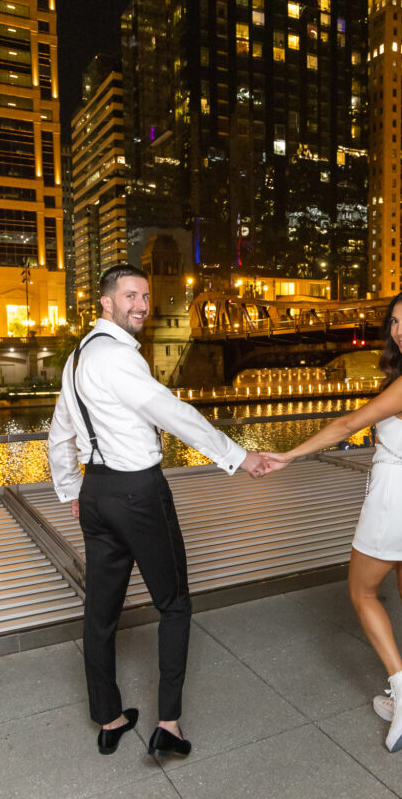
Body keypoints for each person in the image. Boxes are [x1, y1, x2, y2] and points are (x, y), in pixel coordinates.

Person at [47, 264, 269, 759]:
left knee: (100, 613)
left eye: (145, 296)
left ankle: (109, 719)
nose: (142, 305)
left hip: (96, 494)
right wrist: (237, 456)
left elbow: (60, 429)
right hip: (138, 494)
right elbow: (171, 411)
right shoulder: (119, 358)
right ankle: (168, 724)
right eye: (130, 296)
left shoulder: (78, 356)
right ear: (106, 302)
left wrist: (69, 490)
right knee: (174, 604)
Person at [264, 289, 402, 752]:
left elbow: (347, 425)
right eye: (395, 321)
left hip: (395, 495)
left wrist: (288, 456)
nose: (400, 330)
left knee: (361, 592)